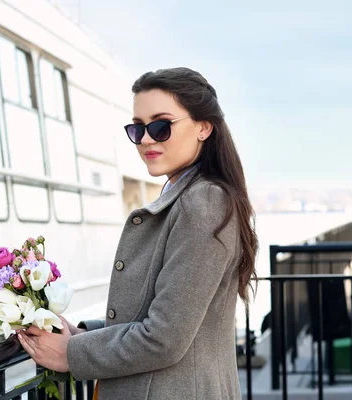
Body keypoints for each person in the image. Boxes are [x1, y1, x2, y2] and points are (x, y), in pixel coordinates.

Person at [18, 67, 258, 399]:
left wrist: (70, 354)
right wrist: (80, 335)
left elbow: (164, 338)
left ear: (204, 127)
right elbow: (156, 314)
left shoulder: (202, 203)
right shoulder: (187, 198)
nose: (146, 139)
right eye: (138, 128)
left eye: (161, 126)